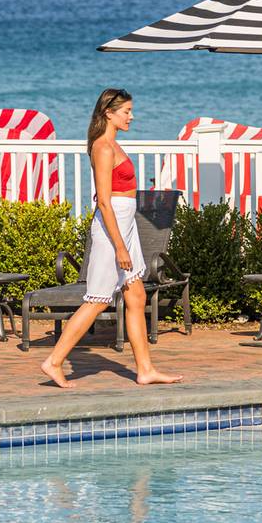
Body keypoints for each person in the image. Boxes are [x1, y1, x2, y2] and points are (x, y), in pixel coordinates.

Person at [40, 88, 182, 388]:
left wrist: (126, 240)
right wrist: (119, 246)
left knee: (136, 295)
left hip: (125, 226)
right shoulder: (103, 148)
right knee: (97, 300)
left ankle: (145, 369)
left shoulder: (113, 144)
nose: (132, 116)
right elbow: (104, 202)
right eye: (126, 111)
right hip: (111, 229)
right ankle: (53, 361)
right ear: (109, 113)